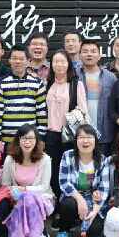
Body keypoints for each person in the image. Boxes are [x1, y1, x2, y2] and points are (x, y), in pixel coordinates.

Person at [54, 124, 110, 237]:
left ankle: (86, 225)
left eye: (89, 137)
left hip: (93, 199)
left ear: (95, 140)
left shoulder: (102, 160)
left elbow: (104, 188)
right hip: (73, 196)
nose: (85, 141)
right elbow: (64, 182)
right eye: (81, 137)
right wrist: (80, 200)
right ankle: (63, 230)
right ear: (76, 140)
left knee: (95, 231)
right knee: (67, 205)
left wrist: (95, 211)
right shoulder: (68, 156)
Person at [1, 124, 54, 237]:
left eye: (31, 138)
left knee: (28, 198)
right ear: (18, 140)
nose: (27, 142)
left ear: (36, 141)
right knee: (25, 199)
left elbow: (44, 187)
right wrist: (16, 193)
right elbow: (5, 185)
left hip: (42, 199)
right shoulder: (10, 159)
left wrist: (25, 190)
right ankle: (33, 236)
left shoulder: (45, 159)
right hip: (16, 198)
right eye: (24, 138)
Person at [45, 50, 88, 196]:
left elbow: (83, 110)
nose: (59, 65)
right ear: (51, 65)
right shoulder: (47, 84)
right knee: (53, 170)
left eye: (63, 61)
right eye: (56, 61)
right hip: (51, 135)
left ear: (68, 64)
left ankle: (70, 201)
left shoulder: (76, 85)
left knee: (70, 170)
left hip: (69, 135)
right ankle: (55, 201)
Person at [0, 44, 48, 143]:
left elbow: (41, 112)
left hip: (30, 140)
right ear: (9, 61)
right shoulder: (0, 84)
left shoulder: (37, 84)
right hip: (7, 140)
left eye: (21, 59)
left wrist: (41, 136)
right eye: (14, 58)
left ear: (28, 61)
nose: (17, 61)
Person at [77, 39, 118, 156]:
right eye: (85, 51)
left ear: (99, 56)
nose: (89, 54)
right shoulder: (74, 75)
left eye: (93, 51)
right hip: (80, 131)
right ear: (80, 55)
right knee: (82, 163)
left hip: (104, 131)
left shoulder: (110, 77)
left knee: (102, 163)